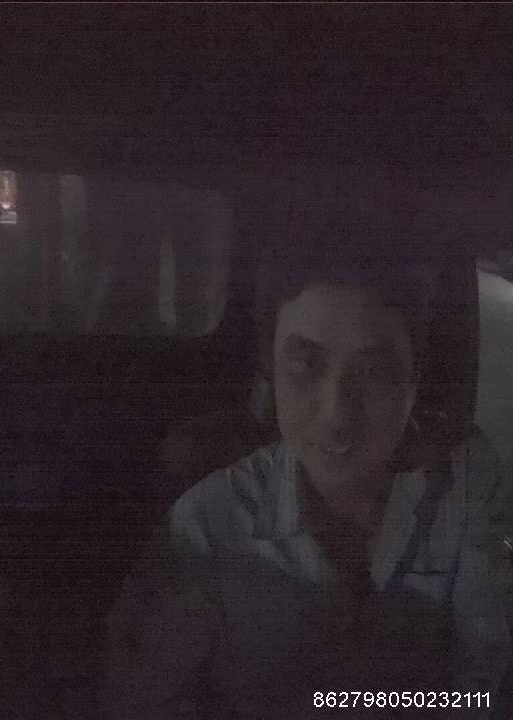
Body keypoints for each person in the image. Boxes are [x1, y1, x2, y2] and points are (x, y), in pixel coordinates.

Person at [100, 236, 512, 719]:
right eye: (305, 366)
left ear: (414, 379)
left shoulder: (463, 480)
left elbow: (481, 681)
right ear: (271, 370)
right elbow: (140, 699)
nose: (337, 415)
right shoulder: (207, 528)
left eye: (373, 372)